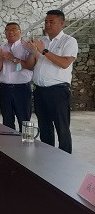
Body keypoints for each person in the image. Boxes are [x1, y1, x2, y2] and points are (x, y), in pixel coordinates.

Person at [30, 10, 78, 154]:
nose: (47, 24)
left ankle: (65, 158)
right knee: (44, 126)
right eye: (46, 21)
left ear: (62, 23)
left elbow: (64, 63)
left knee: (61, 126)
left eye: (51, 22)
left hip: (58, 91)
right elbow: (33, 63)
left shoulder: (69, 41)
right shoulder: (42, 40)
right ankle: (47, 155)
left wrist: (44, 51)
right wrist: (32, 51)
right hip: (40, 90)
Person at [0, 22, 36, 131]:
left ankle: (26, 141)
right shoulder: (1, 48)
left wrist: (13, 58)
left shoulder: (27, 47)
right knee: (7, 120)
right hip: (5, 88)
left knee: (24, 120)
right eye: (7, 30)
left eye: (14, 29)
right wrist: (1, 59)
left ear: (20, 31)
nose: (10, 32)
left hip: (22, 88)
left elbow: (30, 66)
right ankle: (9, 142)